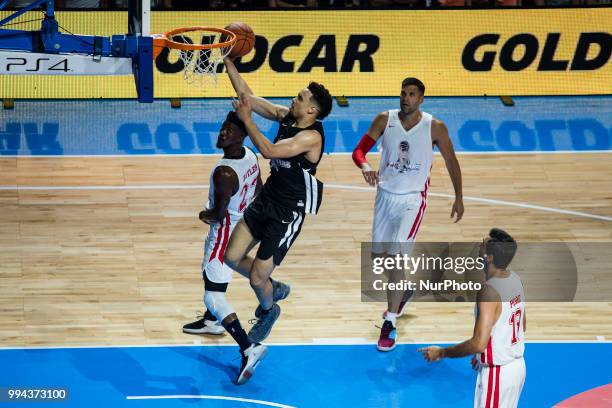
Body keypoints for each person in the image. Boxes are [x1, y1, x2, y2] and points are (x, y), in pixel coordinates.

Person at [222, 56, 333, 345]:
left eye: (299, 98)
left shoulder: (311, 137)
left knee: (257, 279)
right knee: (231, 257)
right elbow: (247, 96)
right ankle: (272, 286)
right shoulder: (287, 116)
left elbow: (269, 150)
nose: (292, 99)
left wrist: (246, 119)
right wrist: (229, 62)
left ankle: (269, 310)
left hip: (287, 212)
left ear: (311, 110)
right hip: (267, 199)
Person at [352, 77, 464, 351]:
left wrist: (459, 197)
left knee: (397, 258)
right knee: (380, 258)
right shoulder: (384, 119)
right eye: (403, 93)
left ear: (421, 98)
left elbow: (451, 161)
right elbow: (359, 151)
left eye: (411, 94)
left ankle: (390, 321)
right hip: (385, 196)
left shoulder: (434, 127)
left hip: (414, 200)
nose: (405, 98)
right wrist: (366, 166)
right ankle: (402, 293)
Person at [182, 111, 266, 385]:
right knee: (215, 280)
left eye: (229, 130)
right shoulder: (251, 155)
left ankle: (248, 347)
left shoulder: (224, 172)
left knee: (213, 295)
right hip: (244, 227)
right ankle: (212, 322)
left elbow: (217, 214)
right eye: (222, 128)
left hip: (224, 233)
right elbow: (259, 190)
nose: (222, 133)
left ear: (241, 135)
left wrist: (203, 214)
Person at [419, 228, 526, 408]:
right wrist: (483, 354)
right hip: (517, 368)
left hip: (497, 375)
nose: (479, 245)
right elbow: (521, 324)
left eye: (483, 244)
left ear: (489, 256)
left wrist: (442, 353)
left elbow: (478, 343)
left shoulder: (489, 291)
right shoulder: (515, 279)